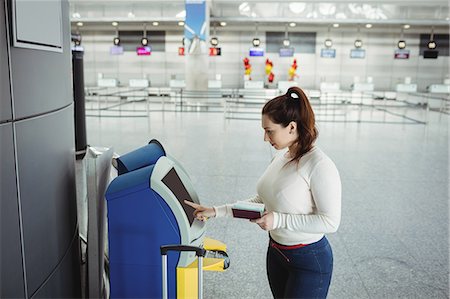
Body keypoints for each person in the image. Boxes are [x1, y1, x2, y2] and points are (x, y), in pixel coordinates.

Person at [185, 86, 342, 299]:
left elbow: (330, 222)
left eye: (270, 131)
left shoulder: (319, 165)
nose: (265, 138)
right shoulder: (281, 157)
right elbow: (262, 200)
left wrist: (277, 219)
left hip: (308, 260)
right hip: (277, 253)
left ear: (292, 127)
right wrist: (216, 211)